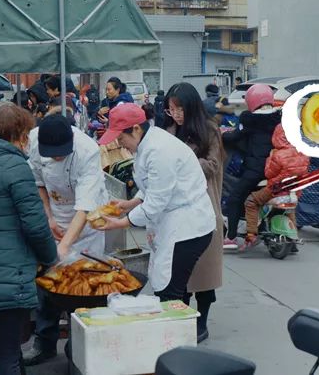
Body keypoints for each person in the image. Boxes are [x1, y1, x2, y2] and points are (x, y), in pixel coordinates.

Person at [0, 103, 57, 375]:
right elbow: (36, 225)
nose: (28, 141)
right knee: (7, 358)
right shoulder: (15, 166)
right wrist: (51, 258)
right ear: (18, 135)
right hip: (9, 277)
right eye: (26, 134)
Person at [96, 103, 215, 303]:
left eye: (121, 137)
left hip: (188, 226)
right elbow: (152, 185)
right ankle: (177, 328)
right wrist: (132, 203)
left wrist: (121, 223)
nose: (119, 143)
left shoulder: (159, 150)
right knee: (170, 286)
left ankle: (177, 331)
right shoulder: (147, 144)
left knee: (169, 291)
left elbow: (157, 200)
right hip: (173, 221)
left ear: (135, 129)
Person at [23, 113, 109, 366]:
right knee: (47, 284)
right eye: (53, 154)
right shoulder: (34, 140)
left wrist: (64, 246)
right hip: (56, 216)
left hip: (88, 222)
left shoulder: (88, 151)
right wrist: (48, 217)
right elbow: (38, 182)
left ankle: (78, 345)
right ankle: (44, 343)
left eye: (61, 153)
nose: (57, 157)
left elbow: (84, 208)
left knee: (82, 286)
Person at [163, 83, 224, 343]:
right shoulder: (169, 131)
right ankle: (184, 317)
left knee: (205, 271)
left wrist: (185, 159)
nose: (175, 114)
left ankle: (202, 321)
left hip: (205, 204)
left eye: (179, 108)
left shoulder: (210, 129)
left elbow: (213, 164)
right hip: (176, 206)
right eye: (171, 109)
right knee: (182, 271)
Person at [221, 84, 281, 250]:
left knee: (235, 198)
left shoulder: (249, 119)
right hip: (276, 169)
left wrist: (222, 134)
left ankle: (231, 237)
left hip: (256, 170)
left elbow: (235, 137)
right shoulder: (279, 118)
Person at [240, 122, 309, 251]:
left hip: (276, 190)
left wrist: (269, 161)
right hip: (294, 192)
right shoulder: (303, 153)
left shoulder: (277, 155)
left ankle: (251, 234)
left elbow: (268, 173)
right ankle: (293, 242)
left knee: (251, 201)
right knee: (290, 211)